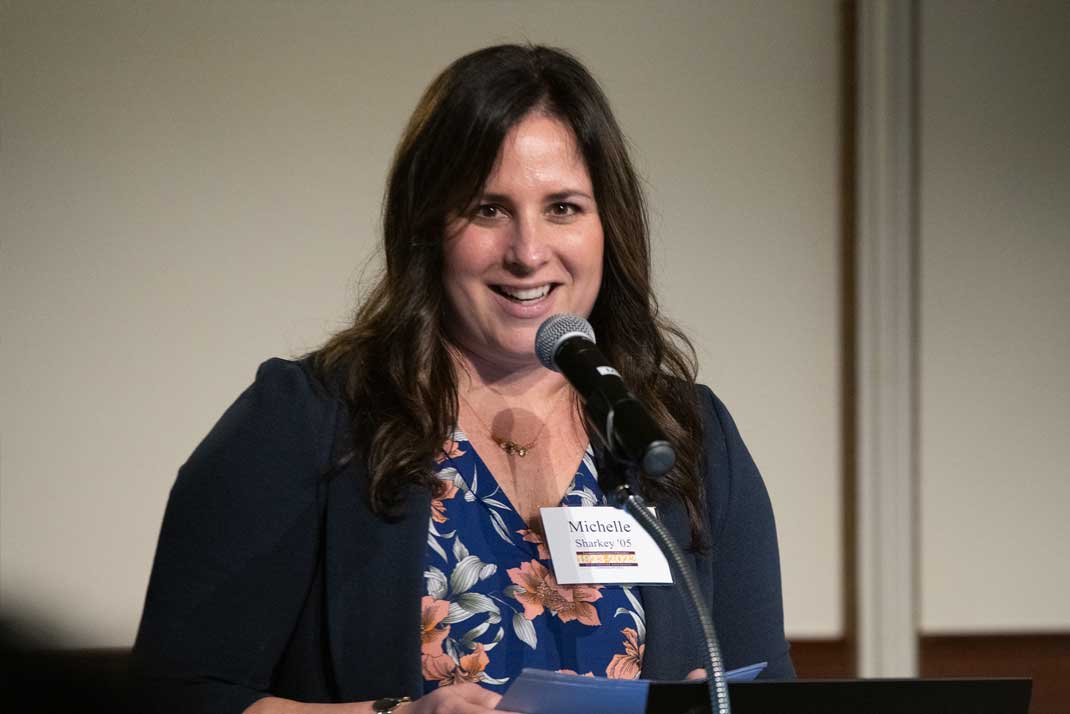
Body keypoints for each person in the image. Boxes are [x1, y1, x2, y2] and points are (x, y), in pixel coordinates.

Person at [132, 44, 794, 714]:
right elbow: (172, 697)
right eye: (487, 209)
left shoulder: (681, 435)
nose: (528, 251)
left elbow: (766, 691)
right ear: (427, 227)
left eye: (562, 207)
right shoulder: (311, 418)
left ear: (609, 227)